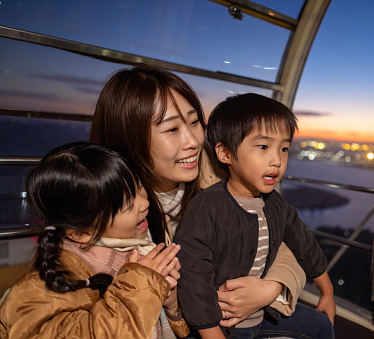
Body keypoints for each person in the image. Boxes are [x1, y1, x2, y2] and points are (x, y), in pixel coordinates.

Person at [89, 66, 316, 330]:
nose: (194, 141)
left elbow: (280, 234)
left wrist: (270, 288)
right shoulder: (107, 220)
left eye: (195, 122)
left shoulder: (221, 170)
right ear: (129, 139)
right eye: (172, 129)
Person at [175, 93, 336, 339]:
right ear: (225, 154)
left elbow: (305, 246)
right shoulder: (207, 207)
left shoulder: (275, 204)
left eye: (284, 149)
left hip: (262, 315)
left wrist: (328, 293)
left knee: (321, 327)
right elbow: (193, 281)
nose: (277, 160)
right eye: (263, 147)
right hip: (220, 326)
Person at [0, 142, 183, 338]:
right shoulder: (35, 294)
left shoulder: (134, 247)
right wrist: (142, 286)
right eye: (128, 205)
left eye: (139, 188)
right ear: (81, 233)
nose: (145, 203)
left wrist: (172, 305)